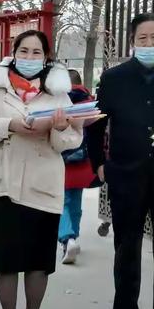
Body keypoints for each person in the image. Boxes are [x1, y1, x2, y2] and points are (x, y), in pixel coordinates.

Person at [0, 30, 82, 309]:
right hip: (3, 182)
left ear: (46, 57)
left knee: (38, 257)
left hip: (41, 181)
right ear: (13, 52)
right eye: (24, 50)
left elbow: (72, 140)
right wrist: (9, 126)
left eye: (37, 52)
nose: (30, 58)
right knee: (4, 255)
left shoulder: (58, 92)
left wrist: (60, 129)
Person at [87, 12, 154, 309]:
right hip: (127, 175)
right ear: (132, 43)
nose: (149, 44)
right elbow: (95, 123)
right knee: (127, 247)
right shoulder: (113, 79)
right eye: (143, 39)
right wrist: (99, 163)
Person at [59, 70, 99, 264]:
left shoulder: (57, 102)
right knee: (75, 200)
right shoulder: (90, 103)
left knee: (62, 201)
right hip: (84, 161)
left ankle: (68, 237)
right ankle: (74, 234)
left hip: (61, 160)